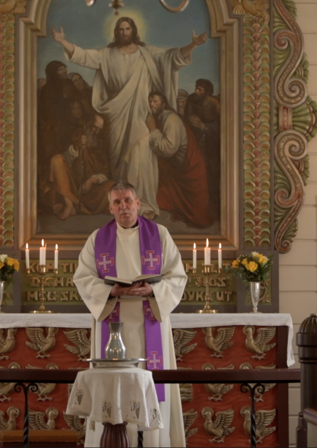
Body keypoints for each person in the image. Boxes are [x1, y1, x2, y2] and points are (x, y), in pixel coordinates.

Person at [51, 18, 208, 220]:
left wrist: (193, 44)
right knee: (120, 163)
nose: (125, 32)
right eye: (121, 29)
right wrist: (63, 42)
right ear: (116, 32)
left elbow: (171, 57)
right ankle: (121, 206)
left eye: (128, 29)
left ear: (133, 31)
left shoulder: (146, 53)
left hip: (142, 116)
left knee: (142, 159)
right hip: (116, 117)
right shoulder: (107, 54)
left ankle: (145, 205)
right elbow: (84, 56)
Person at [73, 181, 187, 447]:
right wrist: (111, 292)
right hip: (114, 319)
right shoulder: (97, 238)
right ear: (110, 207)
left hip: (150, 319)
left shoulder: (160, 234)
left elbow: (177, 276)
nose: (123, 206)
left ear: (138, 203)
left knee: (151, 380)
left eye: (127, 200)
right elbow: (83, 278)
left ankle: (153, 441)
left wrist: (153, 289)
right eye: (116, 202)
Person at [146, 91, 212, 228]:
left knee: (197, 214)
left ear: (163, 104)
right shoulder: (159, 117)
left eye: (155, 101)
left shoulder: (171, 119)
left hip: (191, 168)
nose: (152, 104)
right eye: (150, 101)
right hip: (178, 170)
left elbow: (168, 148)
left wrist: (153, 131)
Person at [44, 114, 114, 219]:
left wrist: (92, 180)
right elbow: (64, 163)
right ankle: (69, 204)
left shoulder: (101, 144)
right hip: (70, 186)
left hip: (89, 192)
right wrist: (76, 147)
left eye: (100, 129)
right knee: (57, 160)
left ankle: (76, 207)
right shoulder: (75, 134)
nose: (96, 132)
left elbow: (105, 172)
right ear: (88, 124)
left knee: (112, 186)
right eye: (94, 127)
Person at [184, 79, 221, 217]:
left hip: (211, 145)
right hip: (195, 142)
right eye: (196, 88)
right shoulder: (192, 99)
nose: (196, 92)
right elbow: (187, 117)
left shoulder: (214, 103)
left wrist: (204, 127)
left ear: (207, 92)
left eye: (200, 90)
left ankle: (211, 209)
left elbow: (222, 126)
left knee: (210, 175)